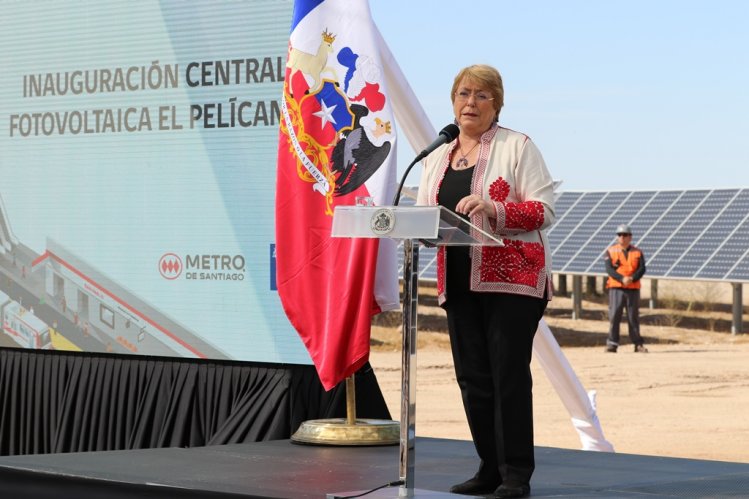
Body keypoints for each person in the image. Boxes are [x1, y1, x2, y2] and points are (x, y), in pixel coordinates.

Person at [417, 64, 555, 499]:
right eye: (462, 94)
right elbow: (424, 213)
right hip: (457, 281)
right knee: (473, 379)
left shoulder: (518, 146)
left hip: (512, 280)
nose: (469, 103)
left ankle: (515, 474)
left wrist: (495, 208)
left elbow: (544, 210)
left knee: (507, 376)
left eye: (480, 95)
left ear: (496, 103)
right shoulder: (438, 154)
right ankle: (489, 469)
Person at [604, 224, 648, 353]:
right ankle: (612, 344)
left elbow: (642, 268)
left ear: (630, 237)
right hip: (616, 288)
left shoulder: (638, 252)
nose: (622, 237)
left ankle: (638, 344)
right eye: (619, 235)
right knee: (615, 315)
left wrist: (632, 278)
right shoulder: (610, 251)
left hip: (633, 288)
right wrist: (622, 279)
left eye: (624, 235)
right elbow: (609, 270)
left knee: (633, 316)